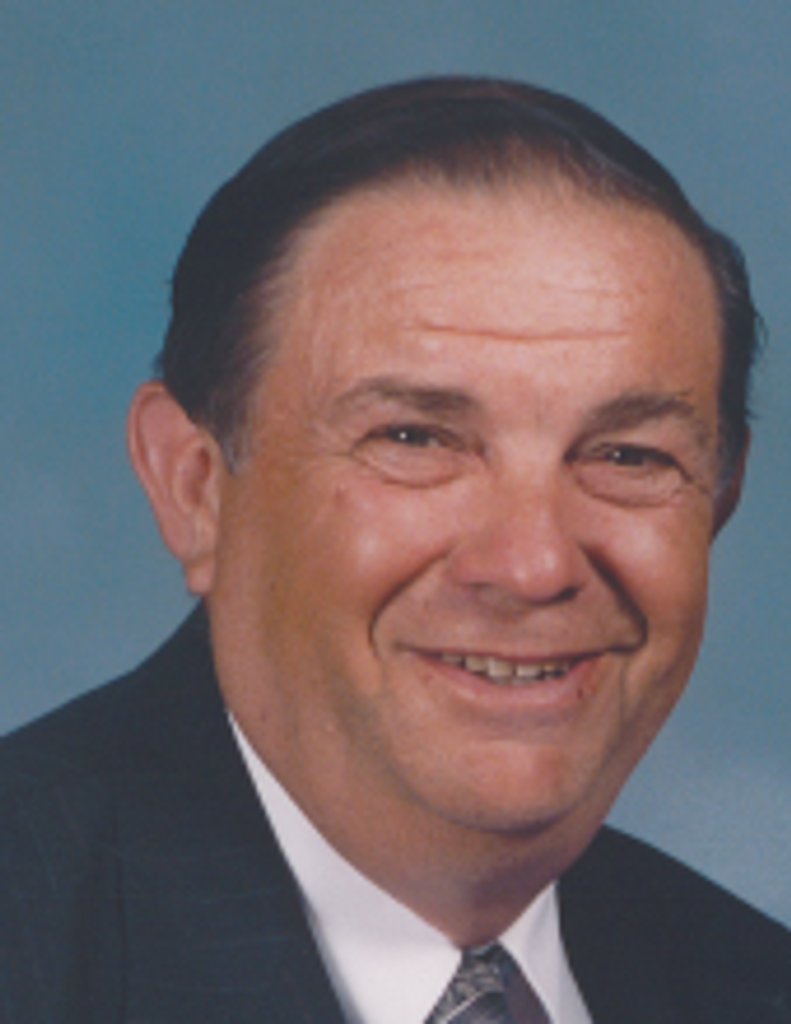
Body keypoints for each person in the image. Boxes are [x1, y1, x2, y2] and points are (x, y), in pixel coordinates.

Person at [1, 76, 789, 1024]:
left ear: (720, 499)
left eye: (628, 456)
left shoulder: (751, 981)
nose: (534, 565)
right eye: (415, 439)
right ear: (195, 486)